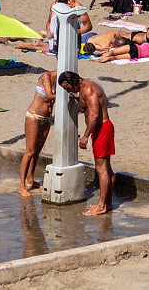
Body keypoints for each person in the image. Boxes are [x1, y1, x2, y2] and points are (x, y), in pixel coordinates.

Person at [59, 72, 114, 216]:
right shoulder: (84, 88)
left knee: (101, 169)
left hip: (102, 128)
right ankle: (107, 203)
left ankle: (101, 206)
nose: (68, 91)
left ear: (72, 81)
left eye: (68, 88)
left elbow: (95, 114)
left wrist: (85, 136)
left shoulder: (88, 88)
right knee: (106, 168)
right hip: (101, 128)